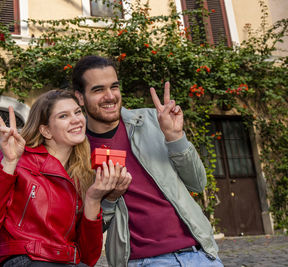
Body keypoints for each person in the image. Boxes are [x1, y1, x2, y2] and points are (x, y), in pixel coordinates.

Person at [72, 55, 223, 267]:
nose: (110, 96)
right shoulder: (78, 152)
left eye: (114, 87)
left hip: (199, 254)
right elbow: (90, 230)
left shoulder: (153, 120)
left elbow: (197, 183)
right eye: (98, 90)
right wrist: (110, 198)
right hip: (143, 262)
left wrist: (175, 137)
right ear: (80, 97)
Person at [0, 90, 131, 267]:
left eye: (77, 112)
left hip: (65, 262)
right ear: (46, 130)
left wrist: (93, 198)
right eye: (63, 116)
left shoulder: (83, 174)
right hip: (25, 259)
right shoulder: (18, 159)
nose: (76, 119)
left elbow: (88, 257)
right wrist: (9, 164)